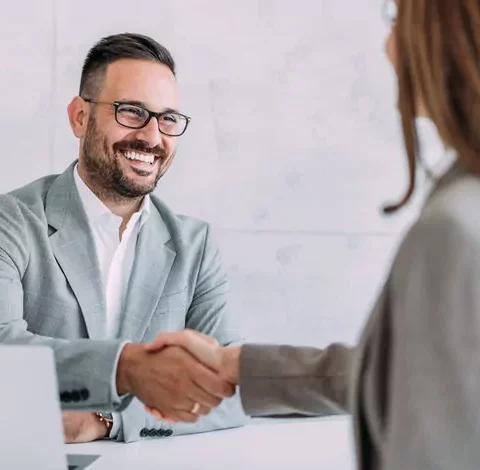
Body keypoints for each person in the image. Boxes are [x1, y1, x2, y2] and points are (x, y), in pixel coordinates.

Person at [150, 0, 480, 467]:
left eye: (399, 20)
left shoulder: (452, 232)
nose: (389, 48)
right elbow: (408, 373)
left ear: (446, 36)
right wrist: (238, 366)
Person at [0, 32, 252, 443]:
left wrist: (108, 422)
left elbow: (231, 389)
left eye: (168, 118)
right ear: (80, 117)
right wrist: (127, 367)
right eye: (131, 111)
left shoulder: (195, 244)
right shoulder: (10, 220)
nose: (152, 138)